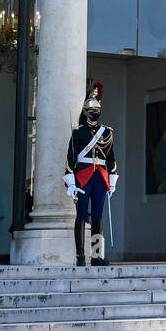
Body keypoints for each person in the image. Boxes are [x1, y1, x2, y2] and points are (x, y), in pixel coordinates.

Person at [63, 82, 118, 266]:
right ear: (85, 112)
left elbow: (111, 158)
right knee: (81, 215)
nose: (95, 112)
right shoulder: (78, 133)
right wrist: (70, 183)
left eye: (97, 109)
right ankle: (80, 256)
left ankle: (96, 256)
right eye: (91, 109)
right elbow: (70, 160)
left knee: (97, 216)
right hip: (83, 177)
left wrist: (113, 180)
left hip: (100, 178)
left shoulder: (107, 133)